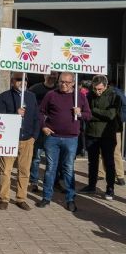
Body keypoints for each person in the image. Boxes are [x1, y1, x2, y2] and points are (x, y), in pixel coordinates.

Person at [37, 72, 91, 212]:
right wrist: (43, 126)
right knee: (50, 168)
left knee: (68, 169)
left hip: (71, 138)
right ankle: (46, 197)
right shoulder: (51, 95)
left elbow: (88, 115)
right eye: (61, 81)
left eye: (67, 82)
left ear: (73, 83)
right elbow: (41, 112)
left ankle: (70, 199)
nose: (63, 84)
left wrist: (79, 113)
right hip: (52, 137)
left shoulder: (79, 97)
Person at [0, 72, 39, 210]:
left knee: (24, 170)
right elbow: (0, 118)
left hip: (27, 139)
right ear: (12, 81)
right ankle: (4, 198)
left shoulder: (31, 97)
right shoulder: (4, 97)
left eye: (25, 79)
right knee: (6, 170)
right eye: (19, 79)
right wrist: (15, 114)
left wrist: (34, 136)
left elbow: (37, 118)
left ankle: (21, 198)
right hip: (9, 139)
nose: (22, 82)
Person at [79, 75, 122, 200]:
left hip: (107, 134)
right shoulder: (89, 96)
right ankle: (91, 185)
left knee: (109, 162)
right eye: (95, 89)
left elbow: (110, 115)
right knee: (92, 162)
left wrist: (93, 111)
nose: (97, 92)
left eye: (100, 89)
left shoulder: (115, 96)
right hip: (92, 134)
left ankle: (110, 188)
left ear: (106, 86)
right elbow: (85, 113)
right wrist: (92, 113)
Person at [28, 71, 59, 192]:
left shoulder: (59, 89)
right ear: (44, 75)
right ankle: (34, 182)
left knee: (52, 159)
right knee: (36, 157)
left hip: (54, 129)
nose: (52, 76)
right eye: (50, 73)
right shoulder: (35, 89)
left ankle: (52, 182)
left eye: (55, 74)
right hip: (39, 128)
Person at [98, 83, 126, 186]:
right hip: (102, 126)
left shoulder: (116, 93)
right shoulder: (97, 93)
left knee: (116, 151)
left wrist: (119, 120)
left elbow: (124, 107)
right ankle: (101, 173)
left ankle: (120, 175)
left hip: (114, 127)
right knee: (102, 150)